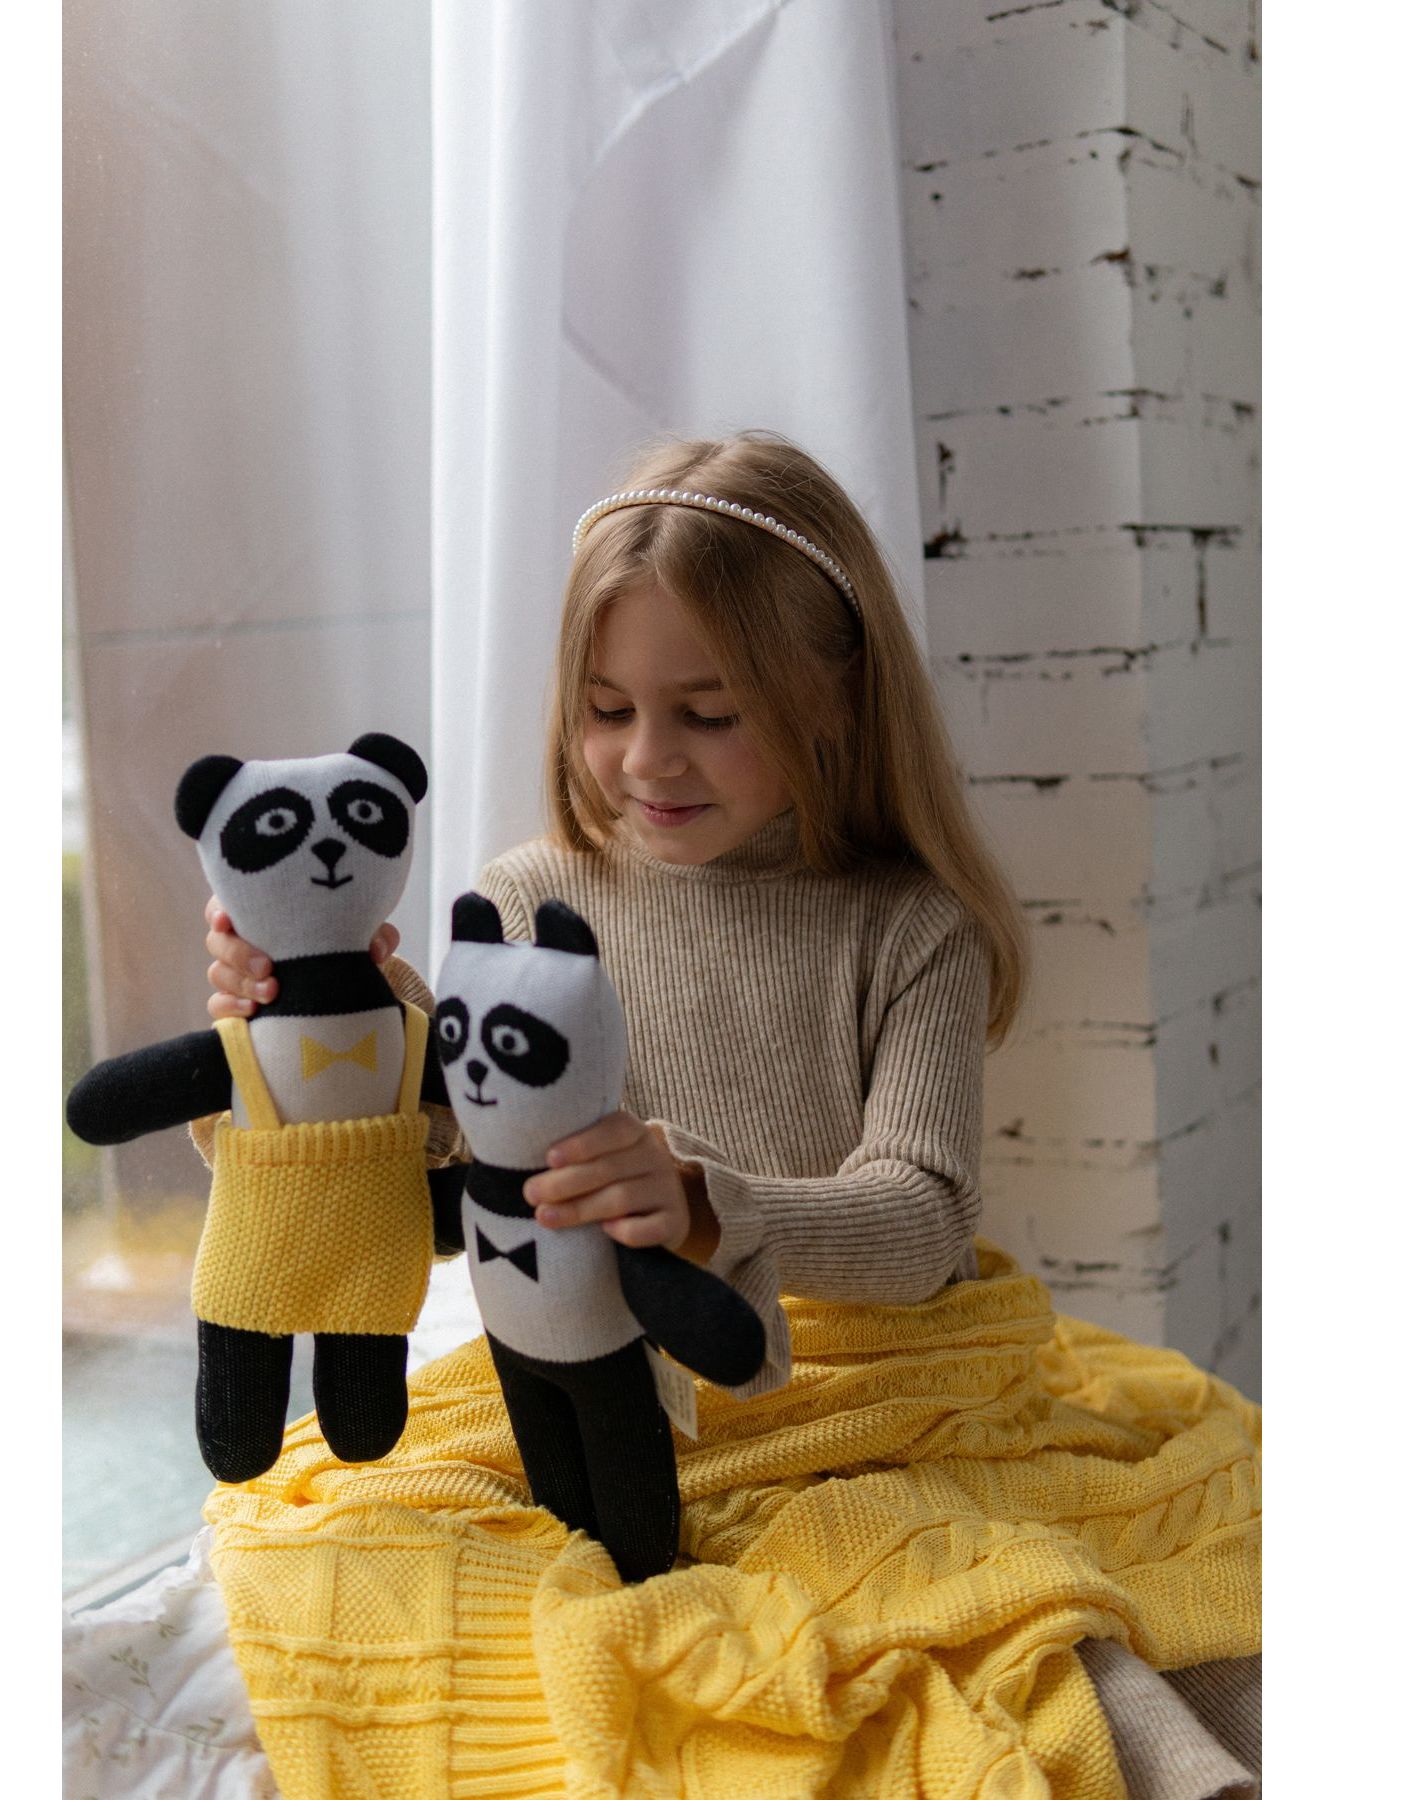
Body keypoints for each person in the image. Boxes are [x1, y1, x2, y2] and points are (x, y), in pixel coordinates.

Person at [172, 434, 1260, 1797]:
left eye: (710, 712)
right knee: (372, 1562)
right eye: (607, 708)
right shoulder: (525, 899)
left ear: (835, 698)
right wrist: (308, 1035)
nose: (648, 759)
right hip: (592, 1369)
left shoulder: (910, 927)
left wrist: (706, 1203)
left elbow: (921, 1215)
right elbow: (439, 1158)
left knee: (1008, 1633)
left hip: (865, 1384)